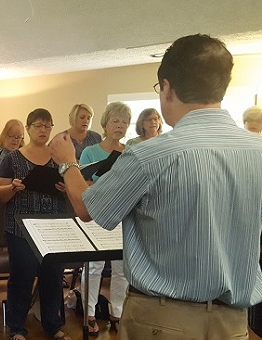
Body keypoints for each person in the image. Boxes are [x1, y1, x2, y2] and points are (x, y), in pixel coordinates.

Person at [50, 34, 262, 338]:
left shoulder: (150, 154)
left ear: (166, 88)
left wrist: (67, 162)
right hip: (233, 324)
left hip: (162, 320)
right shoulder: (257, 151)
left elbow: (86, 208)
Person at [0, 108, 70, 340]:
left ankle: (52, 325)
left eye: (48, 126)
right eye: (38, 125)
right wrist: (13, 188)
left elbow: (71, 191)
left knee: (53, 277)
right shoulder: (12, 157)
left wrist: (65, 189)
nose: (43, 130)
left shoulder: (59, 158)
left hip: (52, 228)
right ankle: (17, 327)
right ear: (28, 128)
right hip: (20, 229)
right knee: (22, 276)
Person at [78, 102, 131, 335]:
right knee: (94, 265)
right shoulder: (91, 152)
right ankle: (88, 313)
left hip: (122, 214)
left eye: (124, 122)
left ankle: (117, 312)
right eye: (115, 121)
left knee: (121, 267)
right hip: (97, 214)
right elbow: (83, 183)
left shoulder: (129, 151)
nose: (120, 125)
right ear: (105, 125)